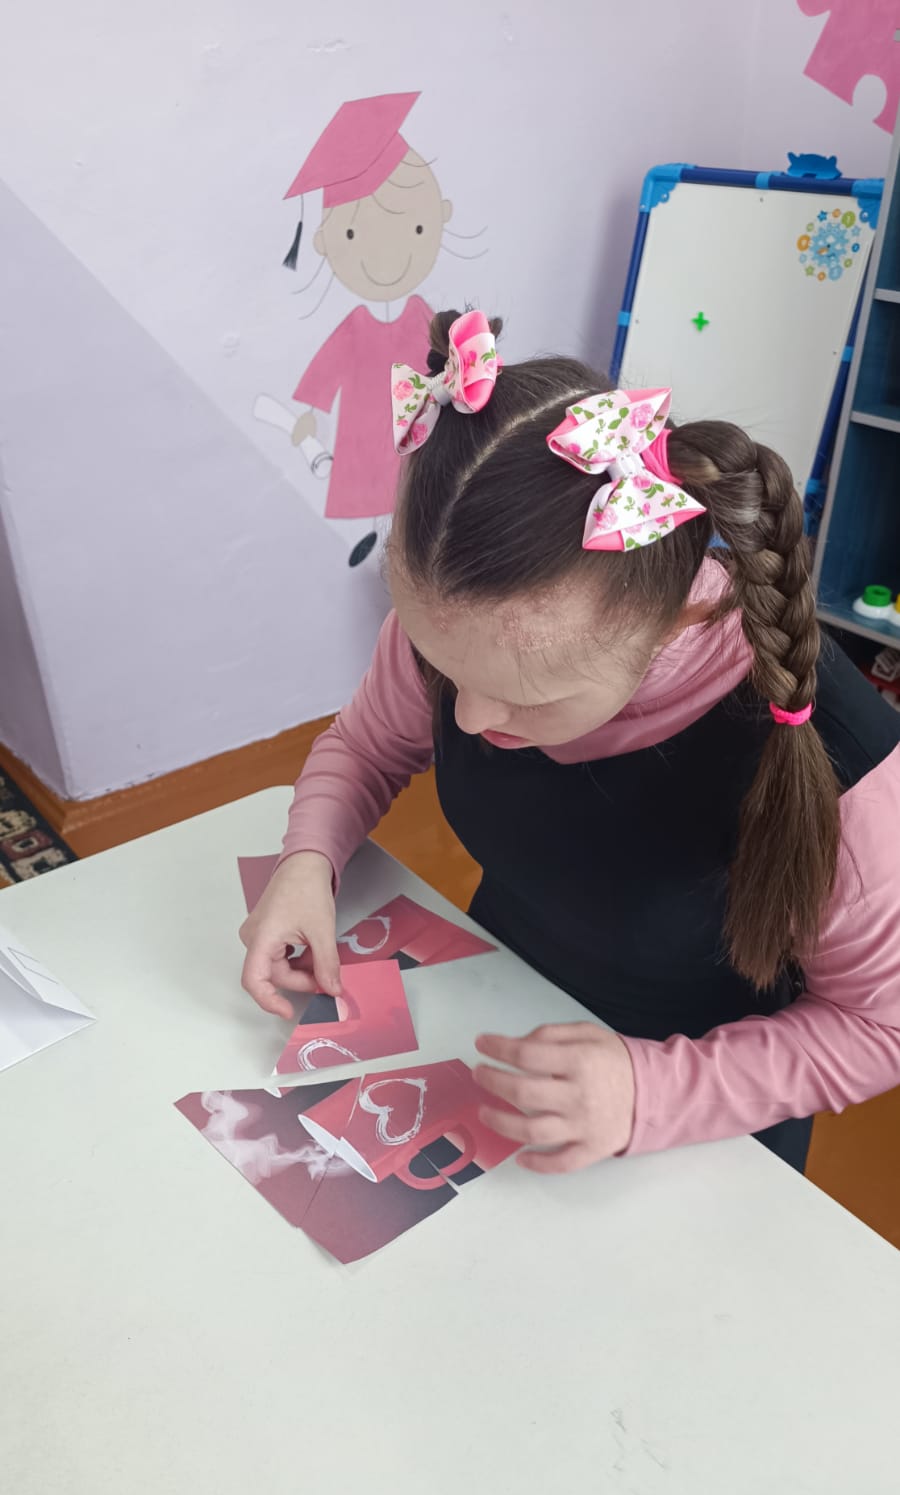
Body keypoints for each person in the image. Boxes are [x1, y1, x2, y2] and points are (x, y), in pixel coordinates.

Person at [240, 309, 900, 1176]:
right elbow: (366, 745)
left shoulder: (846, 771)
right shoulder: (467, 635)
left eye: (527, 699)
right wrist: (307, 861)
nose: (467, 719)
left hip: (700, 1124)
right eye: (443, 667)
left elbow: (879, 1028)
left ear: (676, 622)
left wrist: (648, 1093)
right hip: (499, 1016)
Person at [281, 92, 451, 567]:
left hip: (415, 431)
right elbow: (322, 380)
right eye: (353, 234)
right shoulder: (354, 328)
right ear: (325, 242)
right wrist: (309, 418)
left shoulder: (423, 316)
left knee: (413, 494)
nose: (388, 257)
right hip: (363, 432)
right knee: (378, 495)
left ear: (441, 215)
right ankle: (376, 541)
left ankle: (403, 543)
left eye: (416, 229)